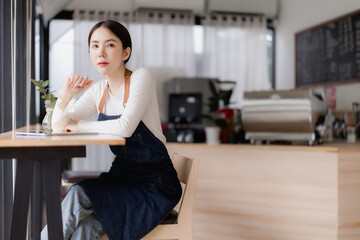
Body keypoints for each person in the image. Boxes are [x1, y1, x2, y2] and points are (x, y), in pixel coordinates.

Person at [41, 20, 182, 240]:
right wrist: (66, 95)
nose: (101, 53)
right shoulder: (98, 90)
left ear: (126, 52)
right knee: (84, 229)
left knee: (78, 192)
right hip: (121, 180)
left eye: (110, 45)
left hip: (154, 187)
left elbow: (125, 127)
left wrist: (78, 126)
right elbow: (57, 128)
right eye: (95, 46)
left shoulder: (140, 78)